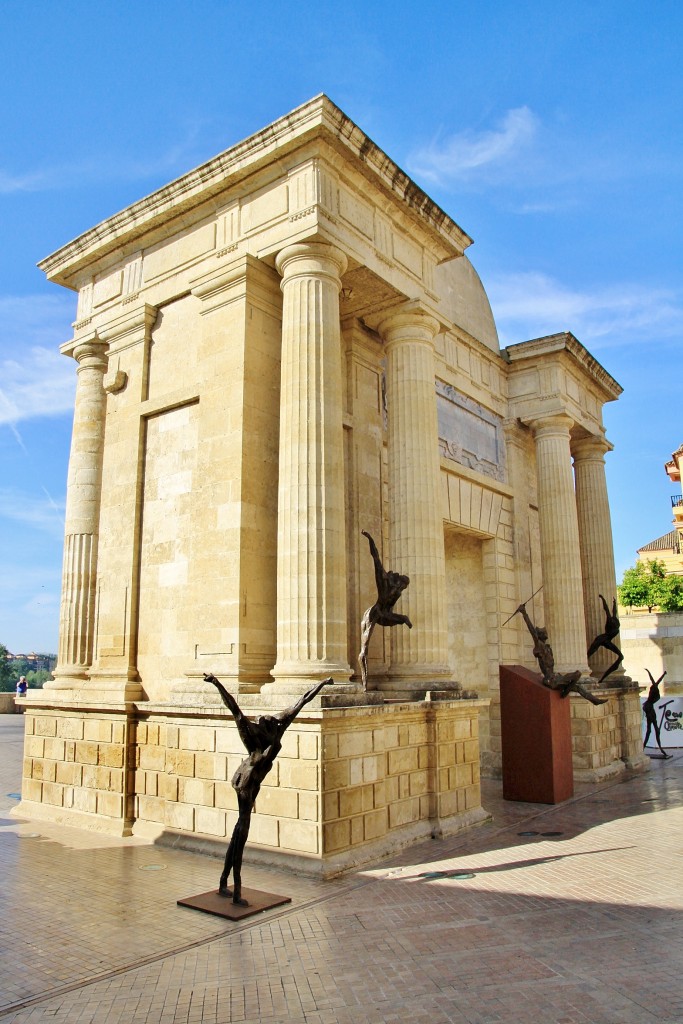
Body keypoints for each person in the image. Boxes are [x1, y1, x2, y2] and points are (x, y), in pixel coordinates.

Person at [203, 673, 333, 905]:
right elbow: (234, 708)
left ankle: (224, 881)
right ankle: (236, 890)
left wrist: (321, 684)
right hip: (245, 783)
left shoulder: (276, 728)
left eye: (267, 721)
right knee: (242, 832)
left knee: (237, 832)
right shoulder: (253, 736)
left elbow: (302, 701)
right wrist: (216, 683)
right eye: (265, 721)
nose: (266, 720)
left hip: (253, 782)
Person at [516, 603, 607, 706]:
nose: (546, 633)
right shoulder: (539, 646)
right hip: (550, 680)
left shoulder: (547, 648)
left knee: (578, 687)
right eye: (543, 632)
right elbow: (532, 631)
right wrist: (524, 613)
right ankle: (565, 693)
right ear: (540, 635)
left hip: (556, 677)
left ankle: (594, 700)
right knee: (577, 674)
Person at [358, 530, 412, 688]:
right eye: (402, 585)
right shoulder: (384, 581)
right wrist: (370, 538)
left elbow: (391, 610)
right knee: (364, 648)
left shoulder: (397, 591)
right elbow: (376, 557)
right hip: (375, 613)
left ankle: (405, 620)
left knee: (404, 618)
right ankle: (364, 682)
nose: (402, 589)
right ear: (397, 581)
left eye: (403, 587)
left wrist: (400, 619)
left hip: (386, 615)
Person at [587, 594, 623, 683]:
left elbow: (614, 611)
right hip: (602, 639)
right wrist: (603, 599)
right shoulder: (610, 620)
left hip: (607, 641)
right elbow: (606, 609)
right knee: (590, 652)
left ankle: (603, 678)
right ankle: (583, 663)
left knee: (621, 656)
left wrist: (614, 603)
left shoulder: (614, 619)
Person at [642, 669, 671, 758]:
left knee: (655, 730)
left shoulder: (655, 687)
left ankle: (660, 748)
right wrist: (649, 672)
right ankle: (643, 748)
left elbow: (657, 680)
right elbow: (653, 680)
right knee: (649, 730)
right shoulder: (654, 688)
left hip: (650, 708)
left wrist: (664, 674)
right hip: (649, 708)